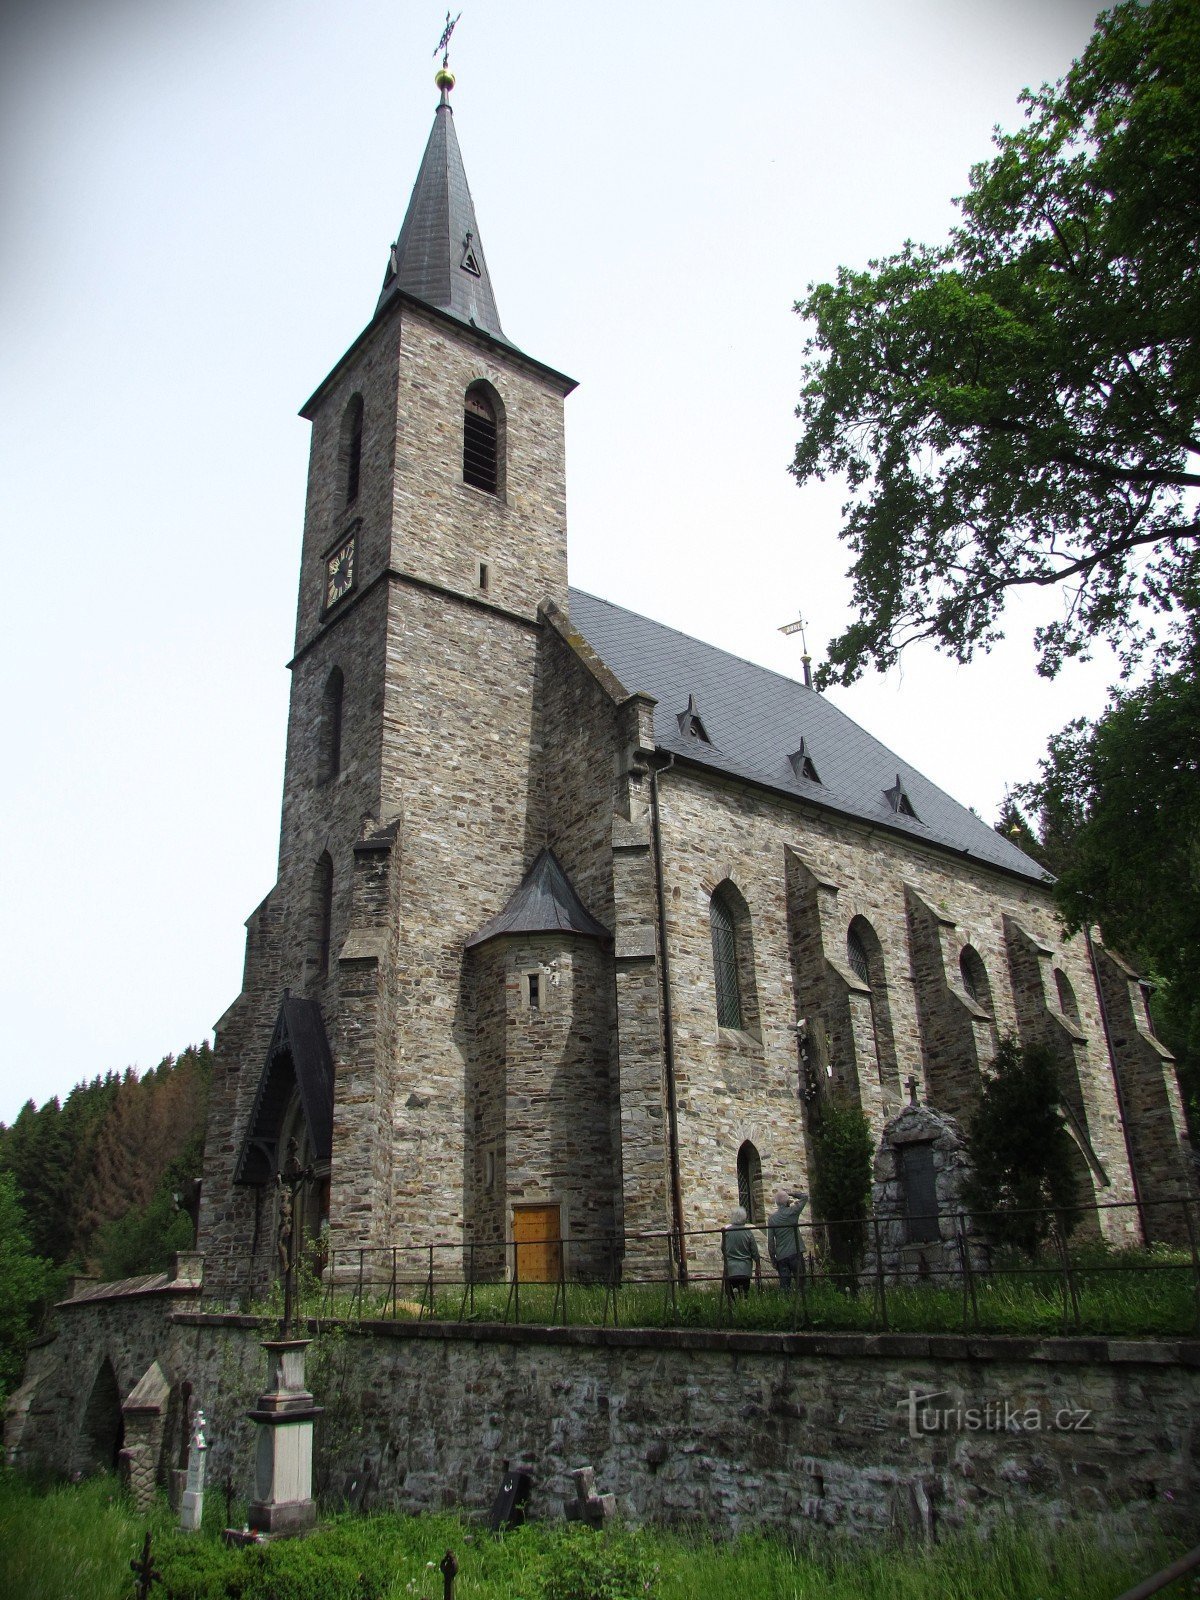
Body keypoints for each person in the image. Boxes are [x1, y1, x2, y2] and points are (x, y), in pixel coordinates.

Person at [767, 1189, 808, 1293]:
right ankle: (802, 1305)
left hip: (781, 1256)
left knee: (785, 1287)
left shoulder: (772, 1219)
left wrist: (773, 1258)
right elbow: (805, 1197)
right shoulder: (792, 1212)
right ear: (787, 1201)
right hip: (795, 1252)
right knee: (801, 1284)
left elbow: (771, 1242)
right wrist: (791, 1193)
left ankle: (786, 1305)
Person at [722, 1205, 760, 1299]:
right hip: (745, 1268)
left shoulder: (726, 1232)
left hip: (731, 1268)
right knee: (744, 1294)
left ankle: (734, 1311)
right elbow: (754, 1251)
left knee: (731, 1297)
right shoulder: (748, 1232)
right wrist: (758, 1265)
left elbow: (723, 1248)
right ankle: (743, 1308)